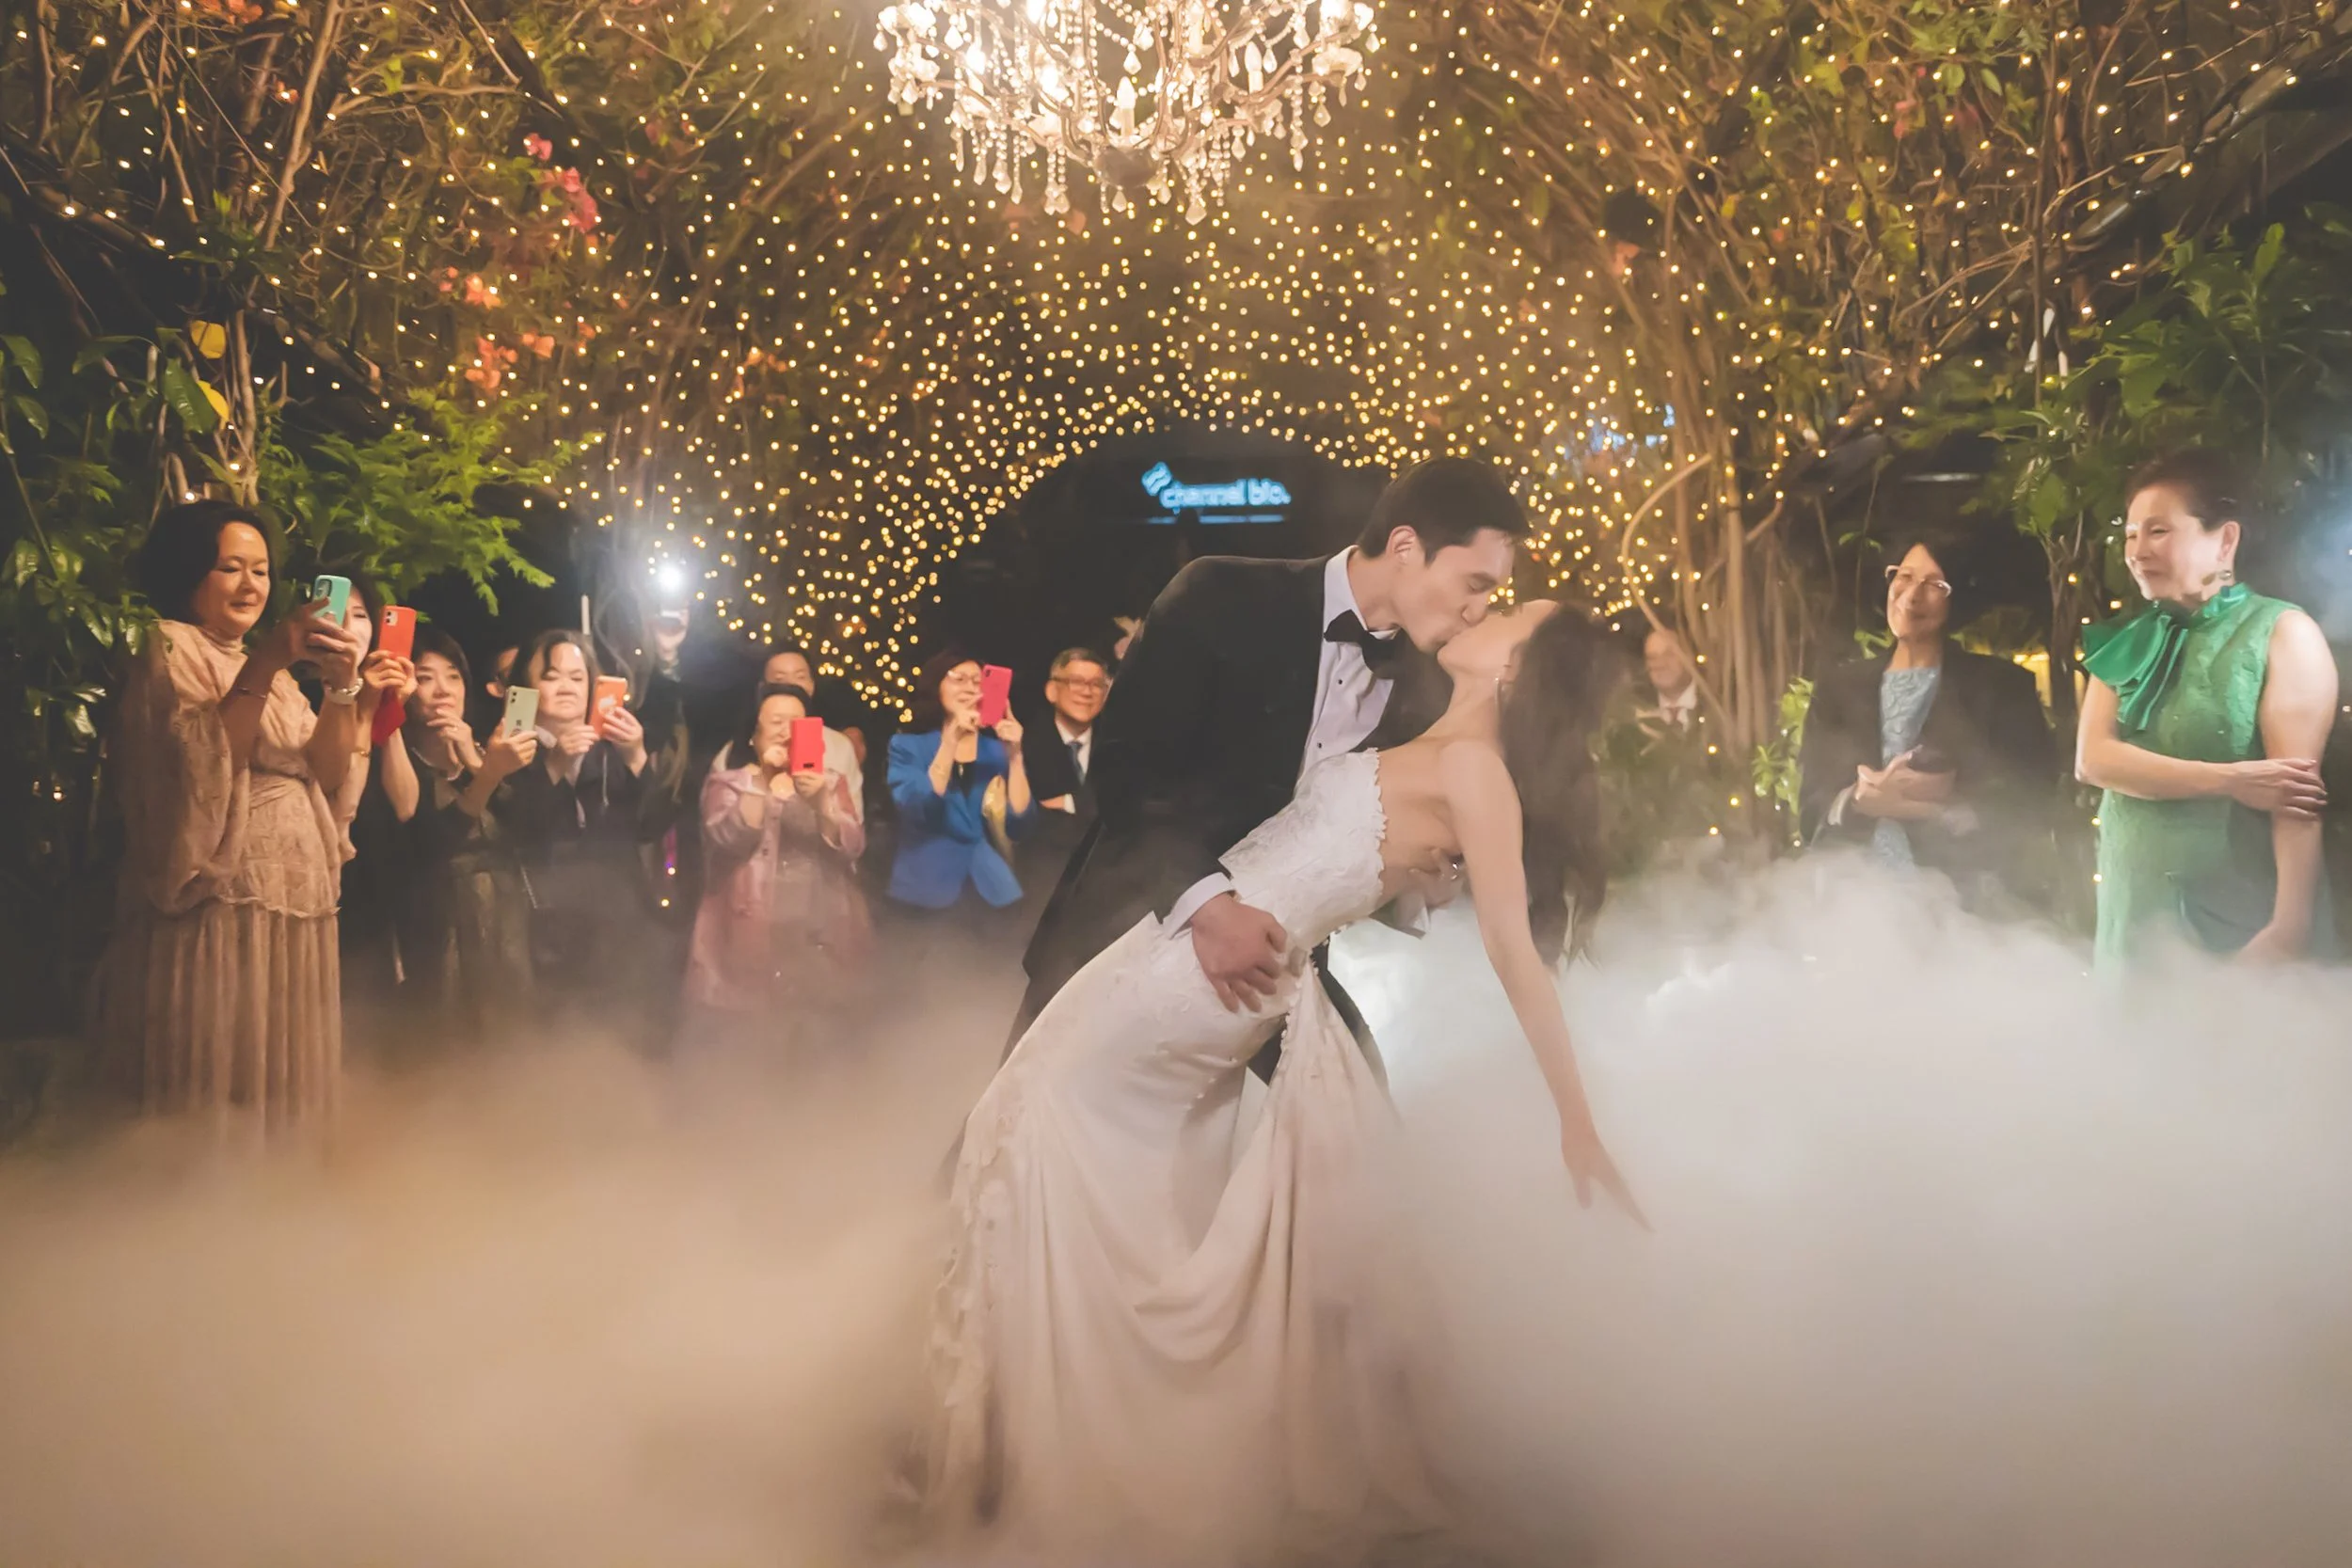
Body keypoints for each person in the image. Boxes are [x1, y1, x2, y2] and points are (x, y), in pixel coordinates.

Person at [927, 599, 1641, 1554]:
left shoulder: (1476, 772)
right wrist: (1404, 880)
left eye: (1512, 615)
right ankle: (1068, 1440)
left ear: (1515, 673)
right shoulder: (1428, 743)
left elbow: (1516, 955)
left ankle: (1083, 1454)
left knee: (1032, 1120)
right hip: (1177, 951)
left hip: (1207, 980)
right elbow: (1344, 852)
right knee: (1073, 1159)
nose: (1487, 608)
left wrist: (1576, 1118)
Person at [1010, 455, 1523, 1068]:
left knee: (1358, 1122)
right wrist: (1206, 906)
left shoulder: (1429, 688)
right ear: (1407, 546)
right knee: (1014, 1148)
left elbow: (1342, 842)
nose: (1481, 610)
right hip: (1124, 935)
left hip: (1273, 971)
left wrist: (1418, 883)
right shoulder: (1220, 594)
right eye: (1476, 583)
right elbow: (1126, 770)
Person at [89, 500, 399, 1137]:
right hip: (219, 904)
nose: (251, 584)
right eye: (230, 567)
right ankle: (212, 1201)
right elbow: (202, 764)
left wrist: (342, 688)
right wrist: (264, 661)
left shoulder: (284, 681)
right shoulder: (170, 645)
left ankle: (279, 1201)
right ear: (189, 572)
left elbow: (327, 768)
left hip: (296, 902)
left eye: (260, 570)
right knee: (223, 1060)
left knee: (287, 1069)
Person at [2077, 451, 2338, 965]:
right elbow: (2094, 761)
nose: (2136, 550)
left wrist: (2289, 928)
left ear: (2225, 540)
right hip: (2133, 919)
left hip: (2241, 922)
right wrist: (2230, 779)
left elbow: (2295, 797)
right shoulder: (2129, 640)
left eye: (2158, 531)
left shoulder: (2283, 633)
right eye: (2130, 533)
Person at [1798, 525, 2055, 911]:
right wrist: (1858, 799)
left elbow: (2034, 797)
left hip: (1969, 905)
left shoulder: (2001, 687)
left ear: (1959, 599)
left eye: (1935, 584)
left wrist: (1942, 804)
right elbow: (1810, 808)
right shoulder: (1837, 688)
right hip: (1855, 905)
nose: (1912, 596)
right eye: (1904, 577)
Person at [372, 628, 540, 1046]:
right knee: (446, 1051)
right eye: (426, 677)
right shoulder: (400, 764)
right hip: (438, 930)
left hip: (507, 927)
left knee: (514, 1049)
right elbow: (430, 843)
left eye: (454, 676)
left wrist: (476, 761)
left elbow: (531, 828)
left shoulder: (490, 750)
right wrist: (485, 775)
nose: (443, 690)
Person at [682, 682, 869, 1053]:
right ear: (754, 735)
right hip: (744, 940)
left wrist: (822, 805)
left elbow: (852, 846)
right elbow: (726, 836)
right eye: (776, 722)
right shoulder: (729, 783)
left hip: (815, 939)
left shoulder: (831, 782)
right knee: (745, 1050)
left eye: (797, 722)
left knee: (814, 1049)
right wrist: (765, 782)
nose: (787, 731)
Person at [498, 629, 664, 1039]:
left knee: (626, 1048)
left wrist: (637, 756)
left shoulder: (612, 745)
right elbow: (516, 831)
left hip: (619, 931)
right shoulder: (509, 746)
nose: (567, 687)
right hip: (544, 933)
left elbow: (653, 826)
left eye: (578, 677)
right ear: (527, 687)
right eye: (553, 676)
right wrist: (554, 764)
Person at [885, 649, 1036, 921]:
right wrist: (950, 741)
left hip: (992, 889)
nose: (970, 687)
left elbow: (1020, 824)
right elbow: (918, 809)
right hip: (924, 889)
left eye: (978, 681)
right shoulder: (908, 746)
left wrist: (1015, 756)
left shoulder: (996, 749)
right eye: (959, 679)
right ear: (936, 687)